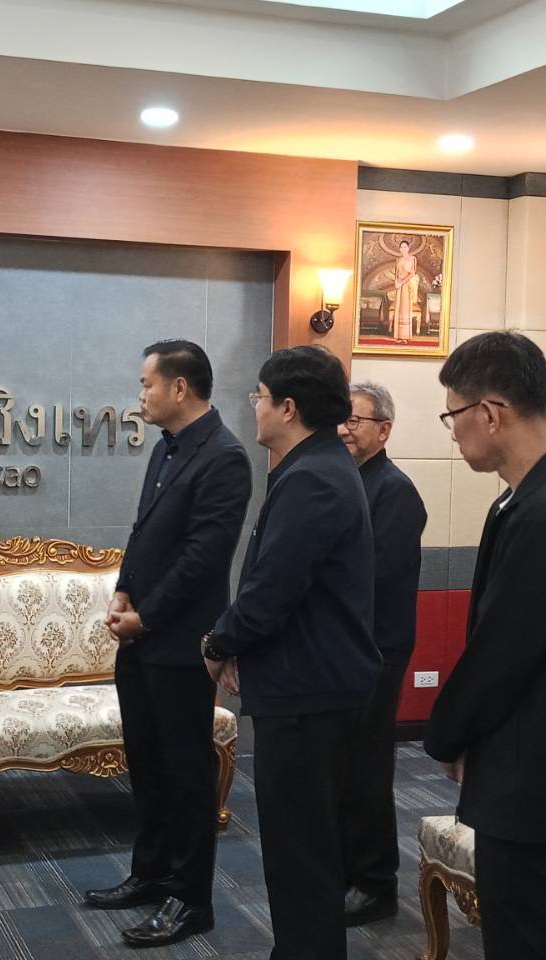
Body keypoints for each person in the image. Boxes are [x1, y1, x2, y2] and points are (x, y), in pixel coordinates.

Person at [423, 330, 546, 960]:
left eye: (454, 415)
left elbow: (502, 652)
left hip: (544, 778)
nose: (452, 431)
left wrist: (448, 734)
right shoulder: (527, 498)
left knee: (523, 944)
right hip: (527, 764)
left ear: (491, 413)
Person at [201, 345, 378, 960]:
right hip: (307, 686)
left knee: (301, 851)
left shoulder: (313, 477)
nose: (254, 405)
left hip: (309, 694)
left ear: (289, 407)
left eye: (259, 396)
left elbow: (273, 588)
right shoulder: (314, 466)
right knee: (301, 847)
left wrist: (219, 643)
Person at [85, 340, 253, 947]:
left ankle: (190, 898)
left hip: (181, 645)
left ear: (180, 387)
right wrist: (123, 590)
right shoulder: (167, 447)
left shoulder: (225, 457)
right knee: (148, 767)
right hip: (141, 641)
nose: (140, 395)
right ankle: (150, 874)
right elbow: (144, 532)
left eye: (146, 384)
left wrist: (147, 618)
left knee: (186, 775)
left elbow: (203, 559)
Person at [335, 381, 427, 926]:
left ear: (384, 430)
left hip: (377, 650)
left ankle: (376, 884)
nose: (343, 429)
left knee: (367, 765)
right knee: (343, 765)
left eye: (355, 421)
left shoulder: (395, 492)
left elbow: (371, 577)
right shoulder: (345, 481)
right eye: (340, 420)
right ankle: (348, 870)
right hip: (342, 651)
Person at [391, 238, 418, 341]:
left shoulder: (412, 259)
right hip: (399, 286)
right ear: (399, 249)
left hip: (407, 285)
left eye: (405, 247)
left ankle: (405, 336)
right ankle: (398, 335)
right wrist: (396, 283)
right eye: (401, 247)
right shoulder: (398, 260)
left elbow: (412, 274)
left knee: (405, 308)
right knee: (398, 308)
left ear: (408, 248)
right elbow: (396, 273)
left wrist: (402, 282)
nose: (403, 249)